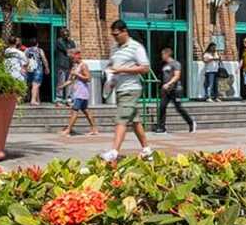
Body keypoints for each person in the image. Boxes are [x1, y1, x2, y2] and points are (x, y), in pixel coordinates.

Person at [99, 20, 154, 162]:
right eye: (113, 35)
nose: (114, 37)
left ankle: (114, 152)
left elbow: (145, 68)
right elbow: (113, 65)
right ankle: (147, 150)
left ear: (124, 31)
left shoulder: (136, 47)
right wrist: (110, 75)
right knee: (135, 121)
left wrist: (122, 70)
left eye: (117, 34)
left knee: (121, 119)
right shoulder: (114, 49)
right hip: (119, 88)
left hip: (131, 88)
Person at [153, 47, 197, 134]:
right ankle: (161, 128)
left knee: (179, 108)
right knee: (162, 107)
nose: (161, 56)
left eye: (162, 54)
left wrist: (169, 84)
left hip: (175, 89)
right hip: (166, 90)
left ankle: (191, 122)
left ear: (167, 54)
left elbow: (177, 76)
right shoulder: (165, 65)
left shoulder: (176, 64)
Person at [59, 49, 97, 136]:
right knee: (86, 111)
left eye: (72, 58)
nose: (72, 60)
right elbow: (71, 80)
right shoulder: (75, 67)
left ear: (77, 55)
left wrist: (77, 74)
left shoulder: (83, 66)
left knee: (74, 111)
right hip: (78, 92)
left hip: (81, 92)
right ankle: (94, 129)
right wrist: (62, 86)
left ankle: (68, 130)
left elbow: (88, 78)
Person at [54, 28, 76, 103]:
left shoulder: (71, 42)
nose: (66, 36)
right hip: (62, 64)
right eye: (64, 34)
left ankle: (68, 98)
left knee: (69, 82)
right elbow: (67, 51)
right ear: (61, 34)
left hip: (70, 64)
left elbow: (74, 51)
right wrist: (71, 51)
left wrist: (72, 52)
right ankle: (58, 98)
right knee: (61, 81)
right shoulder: (59, 41)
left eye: (67, 34)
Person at [24, 38, 49, 105]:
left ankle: (37, 100)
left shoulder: (27, 50)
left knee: (34, 85)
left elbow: (24, 59)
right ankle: (33, 100)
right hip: (38, 69)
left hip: (29, 69)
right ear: (37, 44)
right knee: (36, 84)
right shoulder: (39, 50)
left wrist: (24, 68)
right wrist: (47, 68)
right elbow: (44, 59)